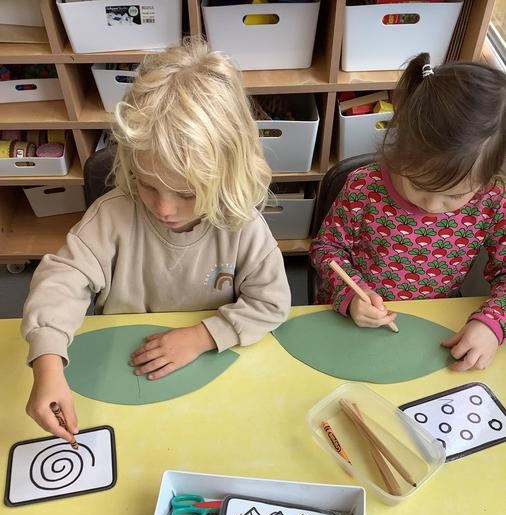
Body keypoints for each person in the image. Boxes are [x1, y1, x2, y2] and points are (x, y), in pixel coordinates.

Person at [22, 38, 291, 442]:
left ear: (229, 175)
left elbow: (271, 304)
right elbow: (62, 280)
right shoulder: (112, 214)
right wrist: (47, 361)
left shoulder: (243, 225)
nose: (164, 208)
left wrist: (204, 336)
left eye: (186, 193)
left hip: (213, 372)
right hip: (123, 366)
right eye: (148, 184)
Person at [311, 52, 505, 371]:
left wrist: (492, 323)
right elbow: (326, 249)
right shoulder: (364, 186)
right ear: (400, 147)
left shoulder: (493, 200)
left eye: (455, 195)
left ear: (488, 178)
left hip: (434, 328)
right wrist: (350, 294)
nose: (431, 205)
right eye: (418, 184)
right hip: (354, 321)